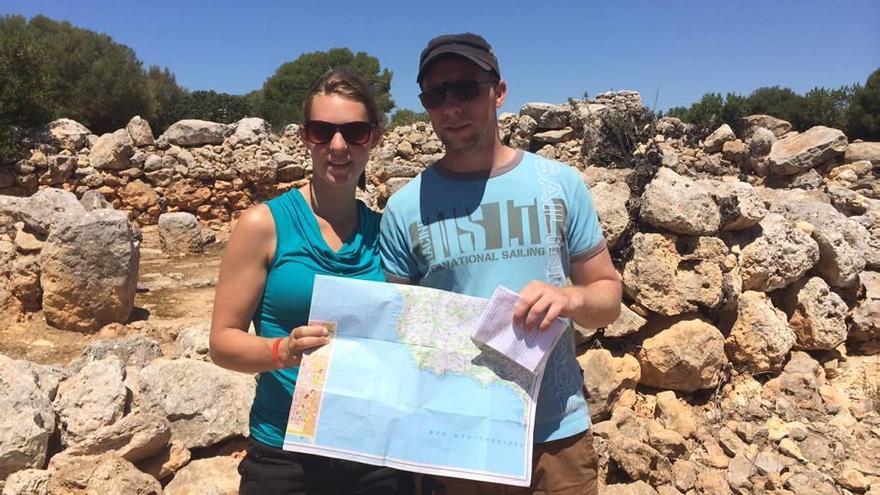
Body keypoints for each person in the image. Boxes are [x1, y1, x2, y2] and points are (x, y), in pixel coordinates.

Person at [379, 33, 622, 495]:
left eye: (466, 88)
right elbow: (396, 330)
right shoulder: (405, 208)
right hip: (455, 438)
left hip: (556, 436)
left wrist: (570, 298)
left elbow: (607, 298)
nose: (451, 106)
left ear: (499, 91)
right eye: (436, 94)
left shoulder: (560, 186)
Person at [209, 69, 414, 495]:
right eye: (323, 132)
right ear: (305, 137)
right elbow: (223, 342)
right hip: (284, 451)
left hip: (372, 454)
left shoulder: (387, 233)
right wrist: (284, 351)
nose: (338, 147)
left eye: (354, 132)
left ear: (374, 138)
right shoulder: (263, 225)